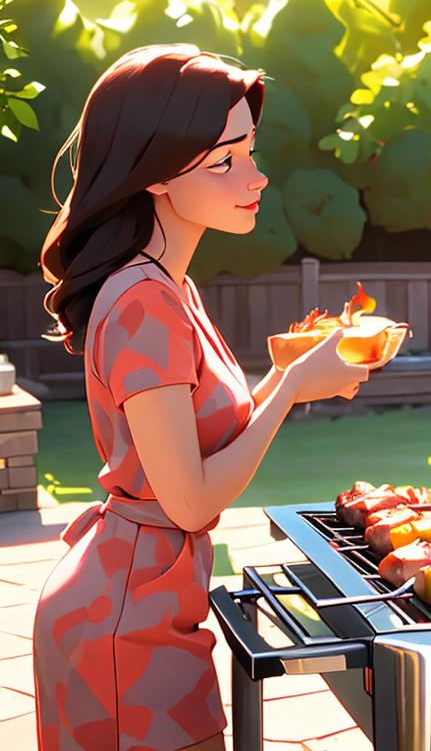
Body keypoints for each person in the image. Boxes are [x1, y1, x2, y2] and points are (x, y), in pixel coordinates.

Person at [32, 44, 372, 751]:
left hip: (147, 598)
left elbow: (206, 443)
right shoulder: (145, 304)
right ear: (153, 175)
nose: (255, 176)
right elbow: (188, 499)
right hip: (125, 625)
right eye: (224, 161)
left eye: (248, 150)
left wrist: (292, 376)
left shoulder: (169, 287)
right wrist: (291, 394)